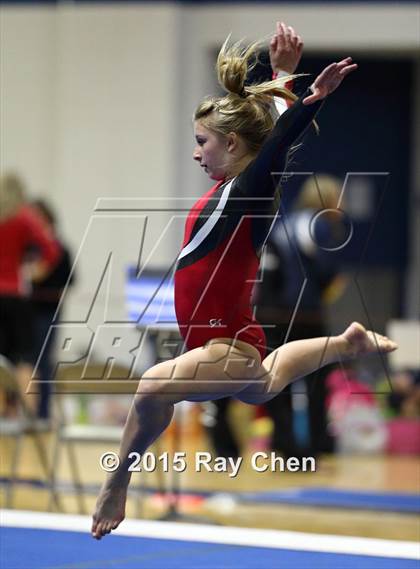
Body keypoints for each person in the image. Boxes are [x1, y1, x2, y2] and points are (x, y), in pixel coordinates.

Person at [92, 28, 397, 539]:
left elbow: (275, 149)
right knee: (264, 383)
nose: (196, 154)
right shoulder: (235, 190)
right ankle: (343, 343)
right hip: (231, 336)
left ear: (230, 143)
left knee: (153, 387)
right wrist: (279, 77)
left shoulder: (245, 194)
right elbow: (267, 140)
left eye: (202, 142)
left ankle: (116, 482)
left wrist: (311, 99)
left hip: (223, 342)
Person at [0, 173, 60, 415]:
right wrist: (37, 272)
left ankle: (5, 414)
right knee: (24, 360)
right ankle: (31, 417)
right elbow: (51, 249)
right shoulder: (24, 216)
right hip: (16, 295)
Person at [28, 199, 75, 420]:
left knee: (44, 361)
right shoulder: (30, 248)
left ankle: (43, 413)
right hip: (26, 310)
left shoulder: (59, 248)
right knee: (24, 361)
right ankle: (21, 410)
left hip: (48, 310)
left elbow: (70, 279)